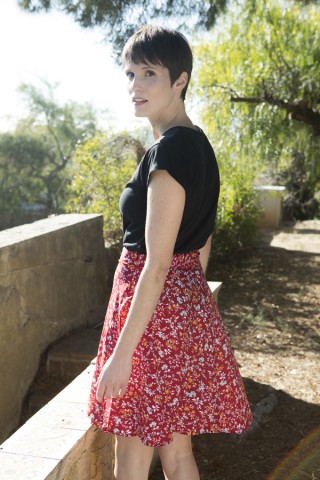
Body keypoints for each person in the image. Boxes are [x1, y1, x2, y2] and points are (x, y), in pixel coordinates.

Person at [88, 25, 253, 480]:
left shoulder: (169, 152)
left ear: (180, 80)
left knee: (132, 462)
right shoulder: (199, 145)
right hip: (179, 313)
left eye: (149, 74)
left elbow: (157, 263)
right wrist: (187, 322)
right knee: (178, 456)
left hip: (151, 320)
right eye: (130, 74)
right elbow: (200, 249)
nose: (135, 86)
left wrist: (125, 354)